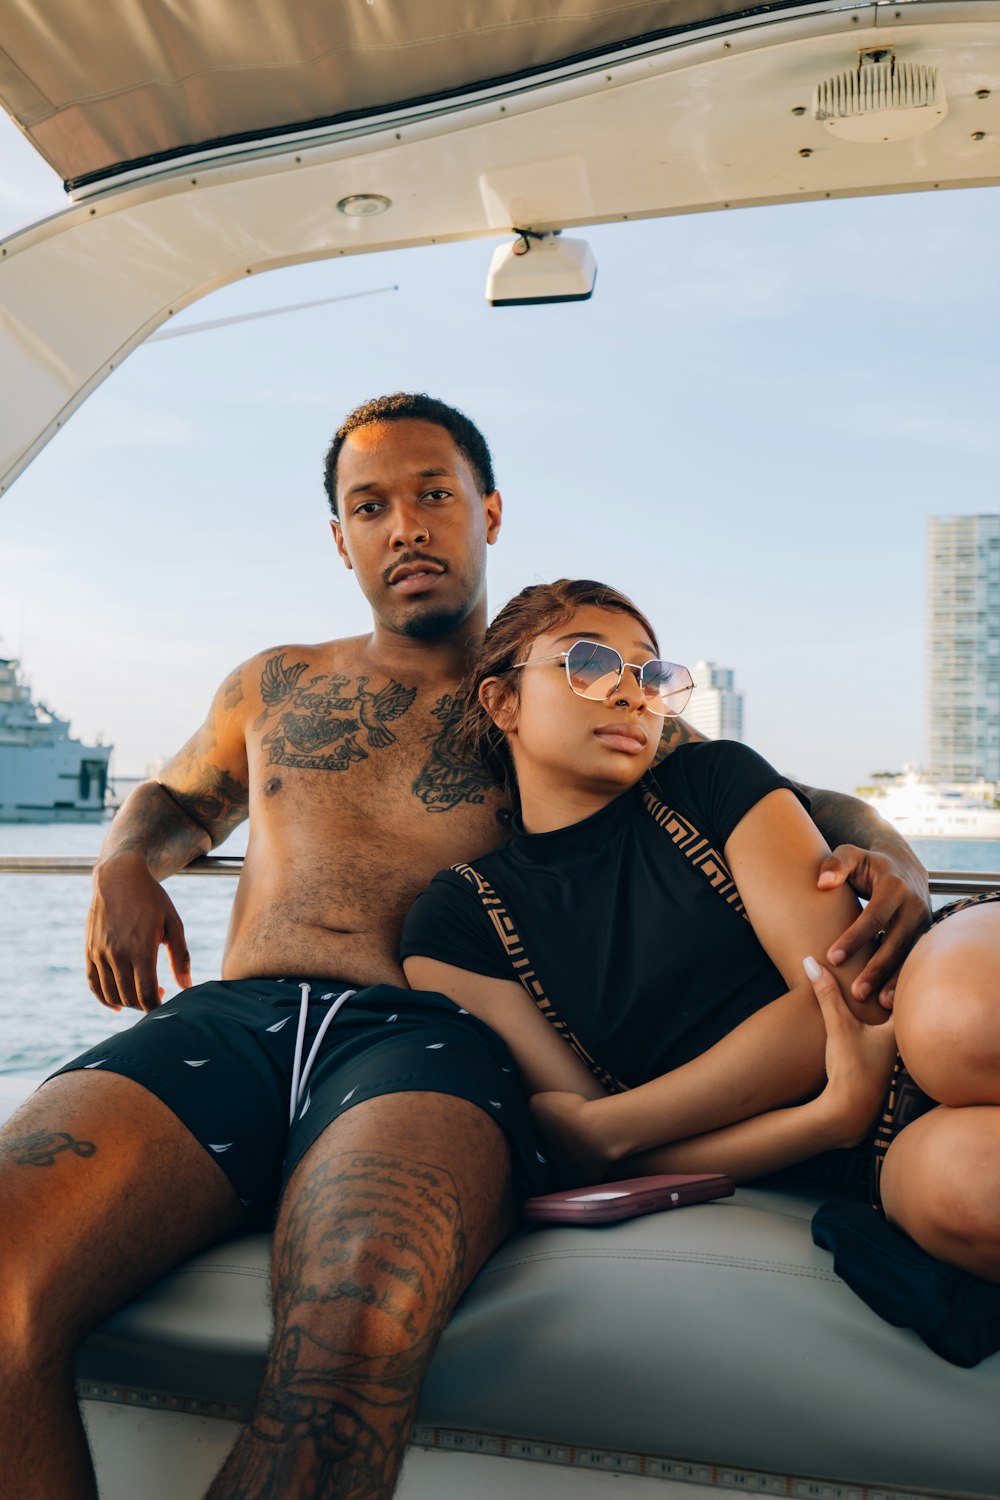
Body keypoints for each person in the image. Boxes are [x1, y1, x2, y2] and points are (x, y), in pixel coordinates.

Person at [0, 394, 931, 1500]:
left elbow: (798, 798)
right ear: (339, 538)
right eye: (370, 506)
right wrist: (121, 865)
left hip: (429, 1044)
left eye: (434, 495)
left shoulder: (559, 695)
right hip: (231, 1023)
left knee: (353, 1335)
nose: (405, 526)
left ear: (487, 513)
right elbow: (180, 797)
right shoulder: (275, 682)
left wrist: (897, 859)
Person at [400, 577, 1000, 1284]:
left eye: (651, 675)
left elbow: (851, 993)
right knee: (976, 1198)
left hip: (915, 997)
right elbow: (597, 1155)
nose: (630, 694)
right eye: (588, 665)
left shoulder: (710, 779)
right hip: (855, 1151)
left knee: (964, 1023)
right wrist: (830, 1118)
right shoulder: (458, 922)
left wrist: (614, 1127)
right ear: (503, 700)